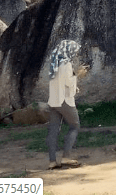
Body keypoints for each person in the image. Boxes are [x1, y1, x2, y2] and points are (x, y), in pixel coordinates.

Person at [47, 39, 87, 169]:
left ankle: (52, 161)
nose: (75, 54)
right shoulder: (66, 64)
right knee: (75, 125)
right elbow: (69, 83)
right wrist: (78, 75)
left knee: (53, 130)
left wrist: (74, 74)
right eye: (74, 51)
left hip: (53, 101)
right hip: (64, 101)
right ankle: (66, 157)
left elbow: (60, 81)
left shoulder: (54, 63)